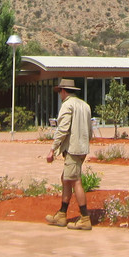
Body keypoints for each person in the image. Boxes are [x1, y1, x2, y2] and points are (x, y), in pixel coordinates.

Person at [45, 78, 93, 230]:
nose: (59, 94)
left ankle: (85, 218)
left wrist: (53, 148)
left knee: (75, 180)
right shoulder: (85, 105)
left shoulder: (67, 105)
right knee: (66, 179)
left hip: (73, 149)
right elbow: (90, 130)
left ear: (64, 91)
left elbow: (63, 129)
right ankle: (62, 214)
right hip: (82, 148)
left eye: (60, 91)